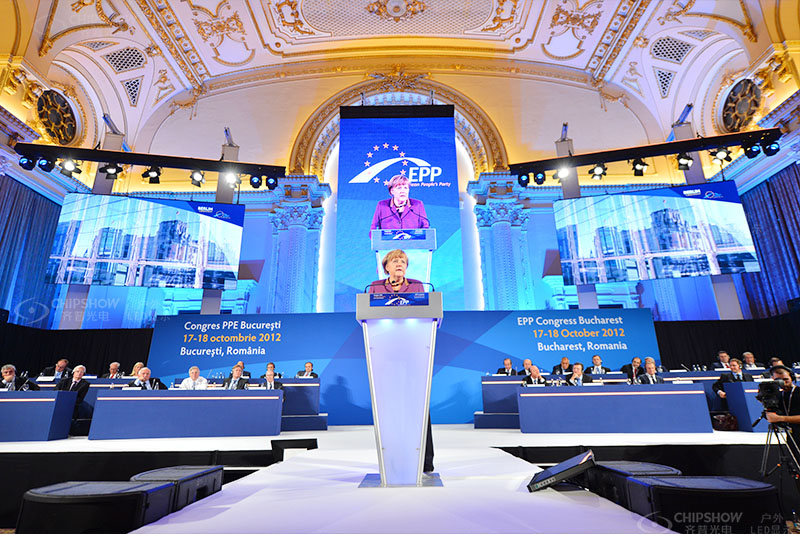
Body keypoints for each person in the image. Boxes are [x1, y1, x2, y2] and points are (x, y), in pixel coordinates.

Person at [765, 365, 800, 447]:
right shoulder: (779, 395)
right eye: (779, 380)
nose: (783, 383)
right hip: (792, 434)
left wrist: (780, 418)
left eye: (786, 379)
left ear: (792, 378)